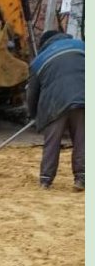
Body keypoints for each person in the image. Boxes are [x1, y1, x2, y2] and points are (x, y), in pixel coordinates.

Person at [27, 30, 85, 190]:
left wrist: (33, 115)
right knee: (82, 139)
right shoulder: (82, 46)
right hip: (83, 98)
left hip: (54, 103)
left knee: (52, 142)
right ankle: (81, 178)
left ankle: (46, 180)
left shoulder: (38, 61)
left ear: (45, 44)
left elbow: (32, 93)